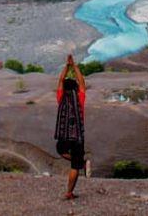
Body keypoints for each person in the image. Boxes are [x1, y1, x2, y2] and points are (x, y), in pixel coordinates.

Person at [55, 54, 88, 200]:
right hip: (77, 137)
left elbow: (60, 80)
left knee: (60, 150)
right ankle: (69, 192)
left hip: (64, 135)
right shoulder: (79, 98)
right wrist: (74, 66)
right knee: (75, 165)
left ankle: (78, 160)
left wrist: (66, 66)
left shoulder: (60, 98)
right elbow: (81, 81)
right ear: (75, 88)